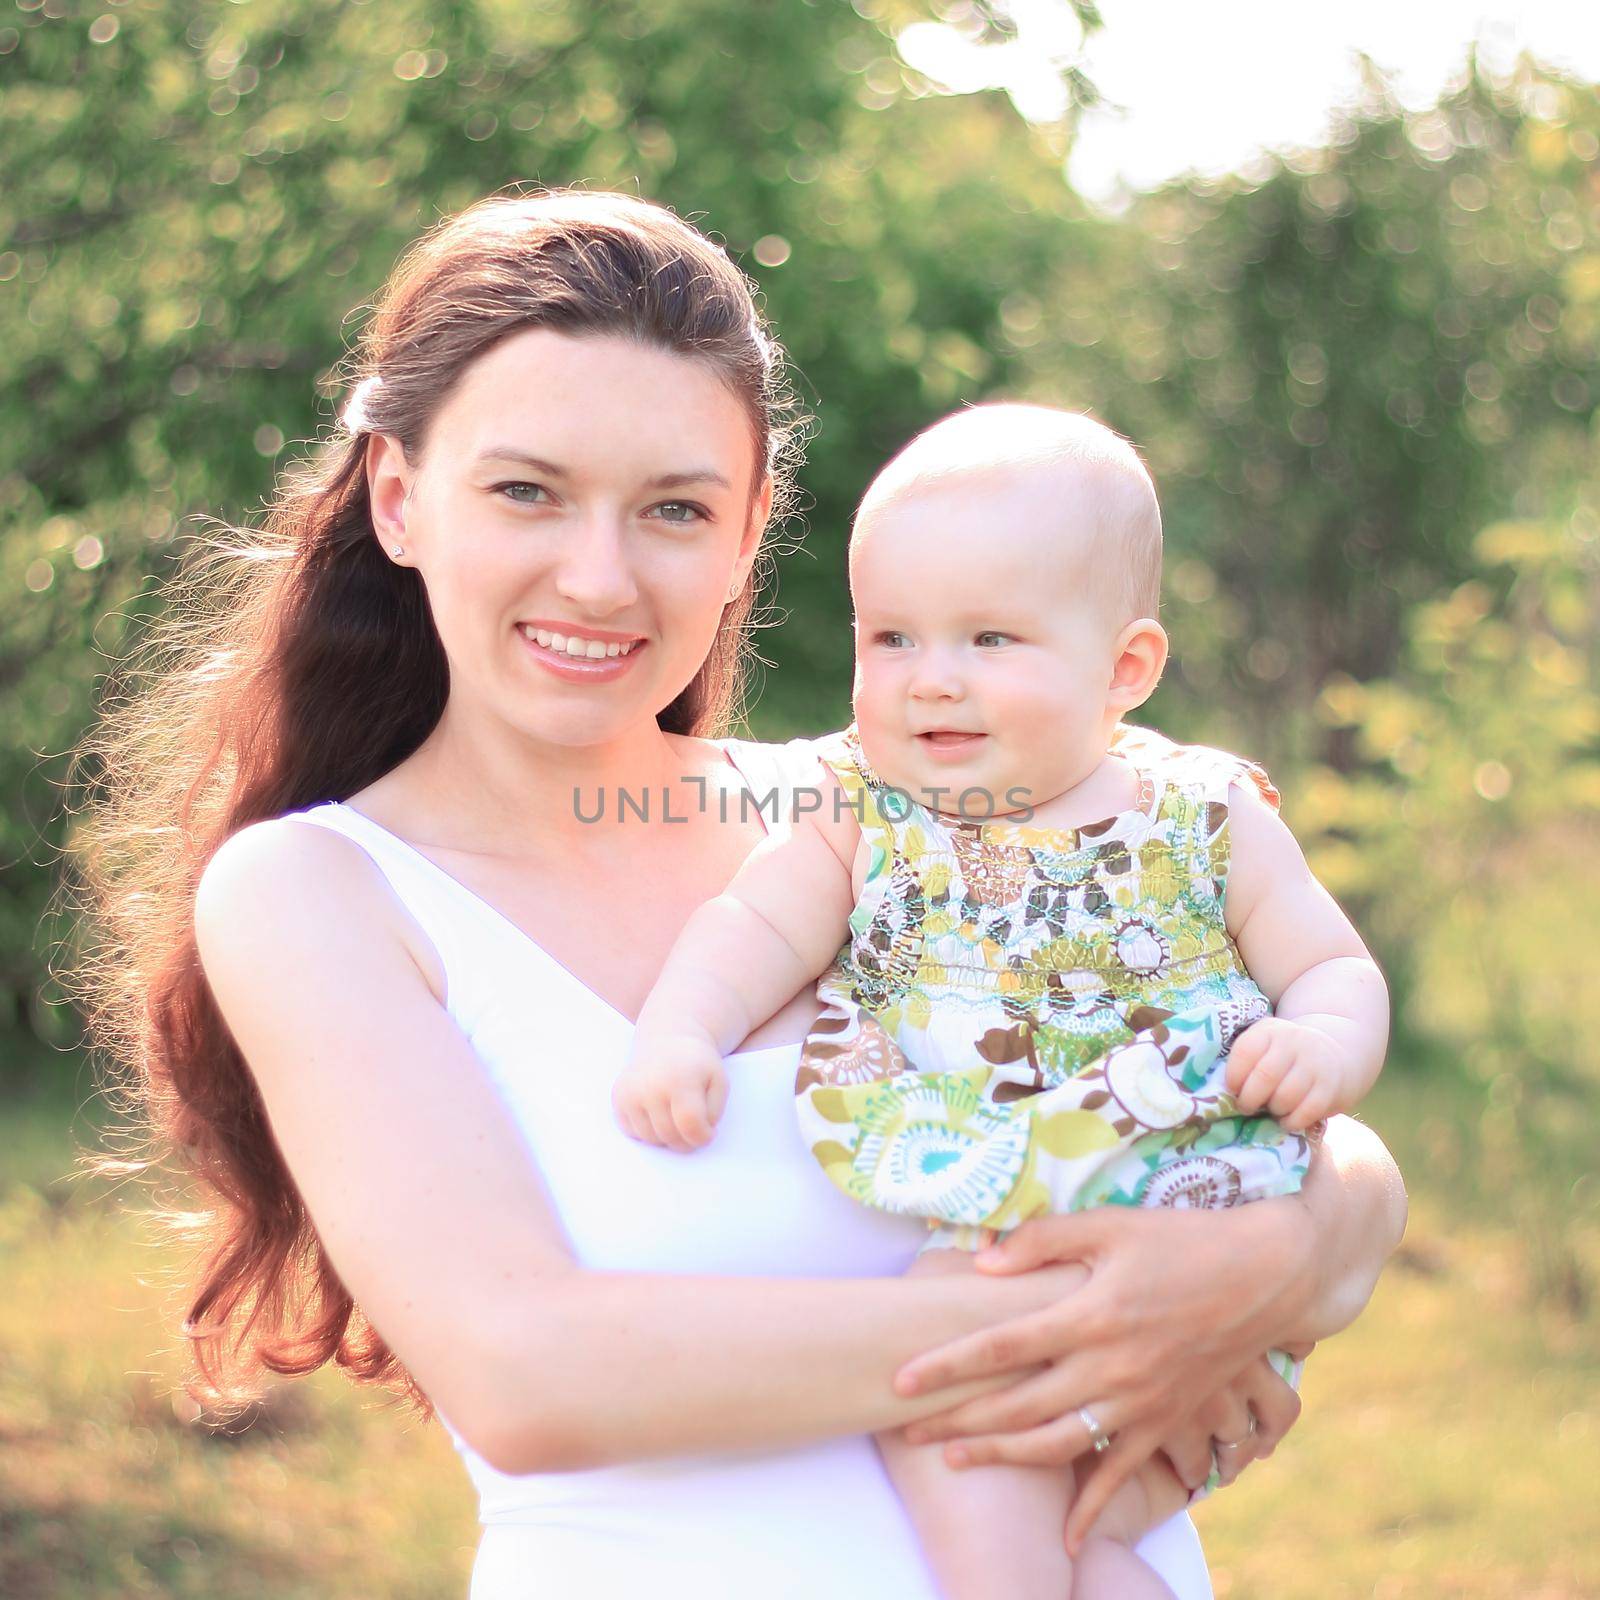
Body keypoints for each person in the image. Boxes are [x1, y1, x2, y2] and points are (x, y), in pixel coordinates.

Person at [68, 188, 1408, 1600]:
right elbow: (531, 1370)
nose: (598, 575)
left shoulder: (884, 808)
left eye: (673, 509)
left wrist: (1287, 1247)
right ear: (401, 500)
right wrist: (1093, 1321)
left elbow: (1290, 1090)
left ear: (749, 529)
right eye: (527, 490)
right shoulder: (321, 891)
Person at [613, 404, 1389, 1598]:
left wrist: (1324, 1042)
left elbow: (1331, 964)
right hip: (990, 1191)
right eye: (892, 638)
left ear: (1124, 667)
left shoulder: (1202, 812)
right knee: (1069, 1511)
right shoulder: (860, 804)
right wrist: (679, 1029)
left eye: (989, 639)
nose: (934, 681)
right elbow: (754, 925)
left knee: (944, 1402)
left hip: (1183, 1191)